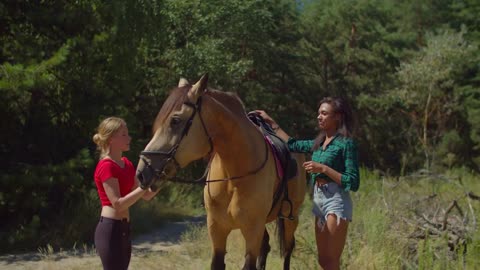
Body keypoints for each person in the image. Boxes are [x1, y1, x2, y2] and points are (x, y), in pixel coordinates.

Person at [255, 97, 360, 270]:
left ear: (338, 117)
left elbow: (353, 181)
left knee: (332, 261)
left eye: (324, 113)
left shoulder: (346, 144)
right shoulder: (318, 143)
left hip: (336, 200)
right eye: (319, 113)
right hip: (319, 200)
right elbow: (292, 144)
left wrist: (324, 169)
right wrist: (271, 122)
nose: (319, 117)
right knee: (323, 260)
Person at [92, 117, 158, 270]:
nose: (129, 138)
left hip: (124, 228)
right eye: (124, 134)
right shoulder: (106, 166)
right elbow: (118, 204)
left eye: (127, 134)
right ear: (111, 139)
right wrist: (143, 187)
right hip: (110, 229)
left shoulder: (126, 164)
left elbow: (146, 195)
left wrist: (161, 181)